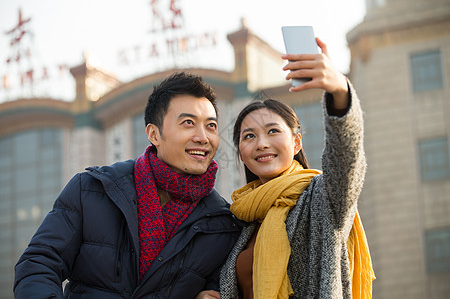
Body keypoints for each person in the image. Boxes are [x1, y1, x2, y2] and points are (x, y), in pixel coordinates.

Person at [14, 72, 241, 298]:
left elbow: (222, 288)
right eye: (188, 123)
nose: (203, 137)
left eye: (211, 126)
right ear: (154, 134)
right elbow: (38, 263)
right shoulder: (92, 190)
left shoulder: (222, 224)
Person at [218, 38, 375, 298]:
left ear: (296, 141)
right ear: (241, 154)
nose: (262, 144)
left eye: (273, 131)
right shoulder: (238, 217)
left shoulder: (323, 197)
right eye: (249, 136)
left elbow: (345, 156)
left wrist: (338, 90)